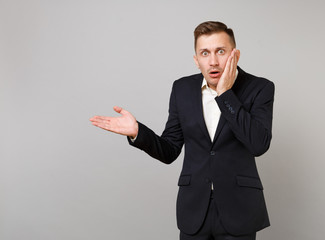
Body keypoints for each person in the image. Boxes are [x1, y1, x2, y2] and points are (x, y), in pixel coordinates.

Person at [90, 21, 275, 240]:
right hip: (194, 210)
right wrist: (137, 132)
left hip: (240, 210)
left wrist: (225, 94)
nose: (213, 61)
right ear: (197, 60)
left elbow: (258, 144)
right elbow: (169, 150)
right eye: (205, 53)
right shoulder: (182, 89)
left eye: (221, 51)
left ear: (235, 54)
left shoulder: (259, 88)